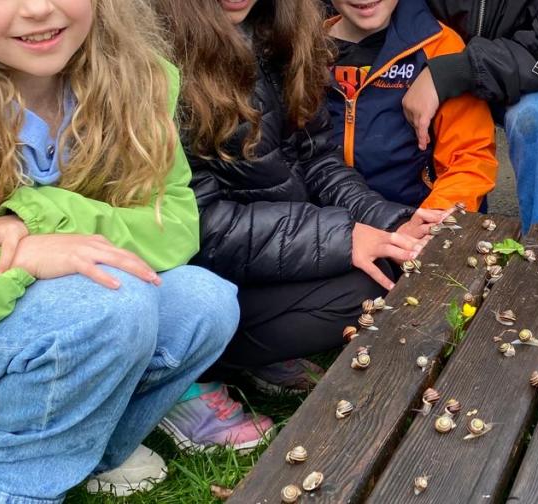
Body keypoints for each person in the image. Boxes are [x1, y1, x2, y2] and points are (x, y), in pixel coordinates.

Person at [0, 0, 240, 501]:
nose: (39, 9)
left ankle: (81, 448)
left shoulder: (136, 79)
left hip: (58, 326)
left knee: (203, 301)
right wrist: (20, 259)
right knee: (111, 301)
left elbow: (173, 226)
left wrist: (41, 217)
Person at [152, 0, 449, 451]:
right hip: (191, 275)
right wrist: (343, 237)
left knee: (387, 265)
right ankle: (186, 377)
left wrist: (391, 223)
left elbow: (318, 160)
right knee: (366, 289)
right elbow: (201, 224)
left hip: (265, 250)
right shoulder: (161, 56)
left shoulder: (280, 30)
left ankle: (256, 357)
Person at [399, 0, 538, 232]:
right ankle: (456, 223)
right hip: (437, 58)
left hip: (524, 75)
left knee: (535, 116)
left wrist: (455, 71)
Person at [326, 0, 498, 212]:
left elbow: (469, 157)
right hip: (323, 226)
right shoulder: (302, 48)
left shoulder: (440, 46)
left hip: (418, 218)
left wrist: (431, 221)